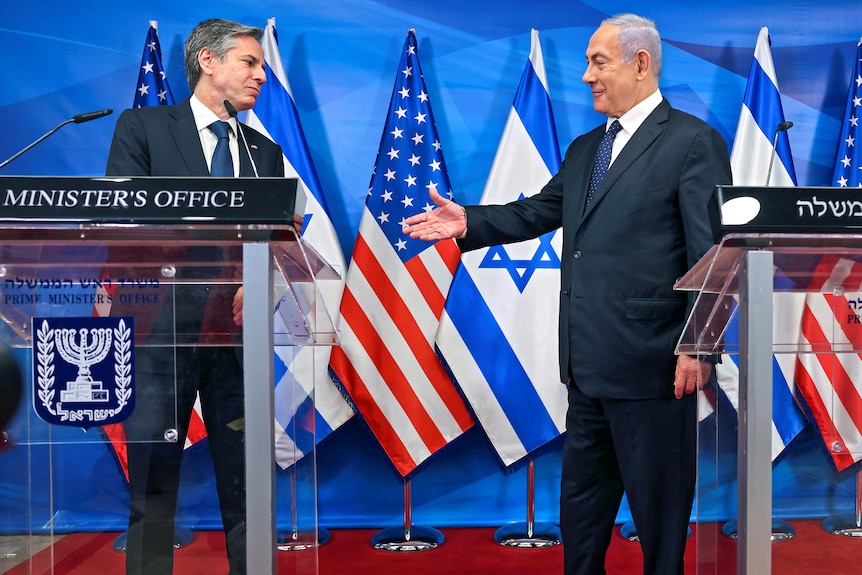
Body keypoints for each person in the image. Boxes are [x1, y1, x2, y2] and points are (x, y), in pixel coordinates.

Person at [404, 13, 731, 575]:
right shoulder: (587, 148)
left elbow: (713, 257)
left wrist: (698, 347)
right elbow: (541, 210)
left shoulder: (691, 143)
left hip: (655, 368)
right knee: (581, 517)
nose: (586, 76)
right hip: (586, 367)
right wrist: (469, 223)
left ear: (641, 64)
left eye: (598, 62)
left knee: (659, 521)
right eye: (587, 63)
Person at [105, 18, 284, 575]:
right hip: (161, 332)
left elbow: (271, 242)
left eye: (261, 66)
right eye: (249, 63)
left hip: (235, 337)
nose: (262, 75)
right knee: (153, 484)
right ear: (208, 61)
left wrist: (259, 280)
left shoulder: (261, 152)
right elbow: (125, 224)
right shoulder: (145, 128)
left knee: (246, 479)